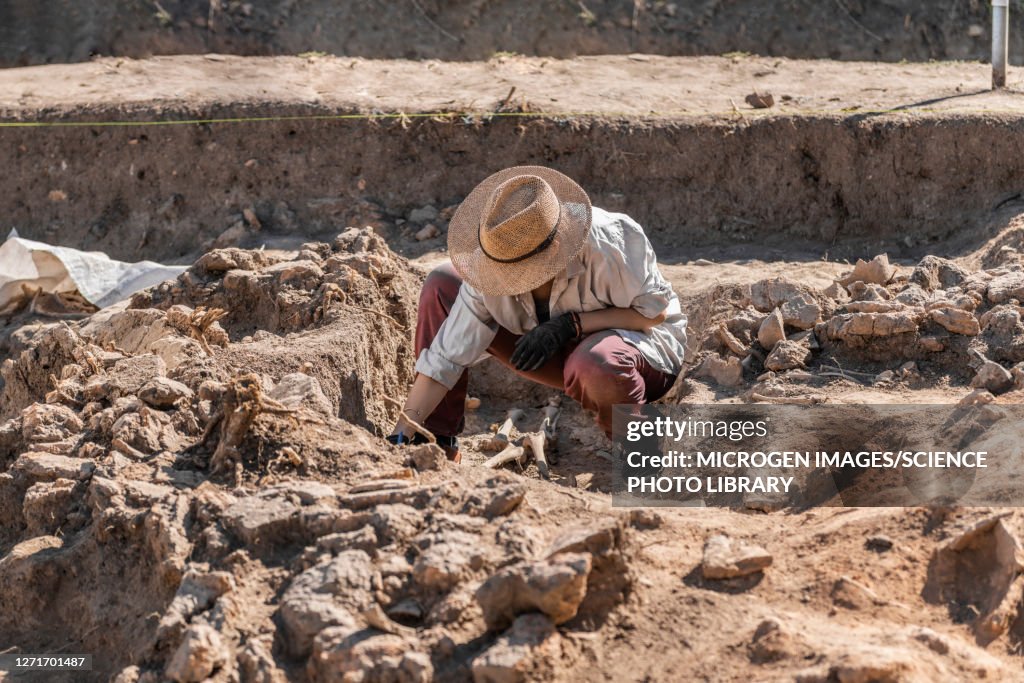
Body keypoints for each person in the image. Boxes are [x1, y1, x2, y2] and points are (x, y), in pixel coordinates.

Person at [388, 166, 687, 463]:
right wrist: (403, 431)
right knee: (444, 282)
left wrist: (572, 325)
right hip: (556, 355)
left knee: (597, 363)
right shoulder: (494, 261)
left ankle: (641, 454)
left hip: (640, 352)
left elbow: (653, 314)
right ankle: (436, 441)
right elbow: (444, 358)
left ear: (554, 250)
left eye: (517, 273)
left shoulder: (611, 243)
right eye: (500, 271)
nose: (503, 281)